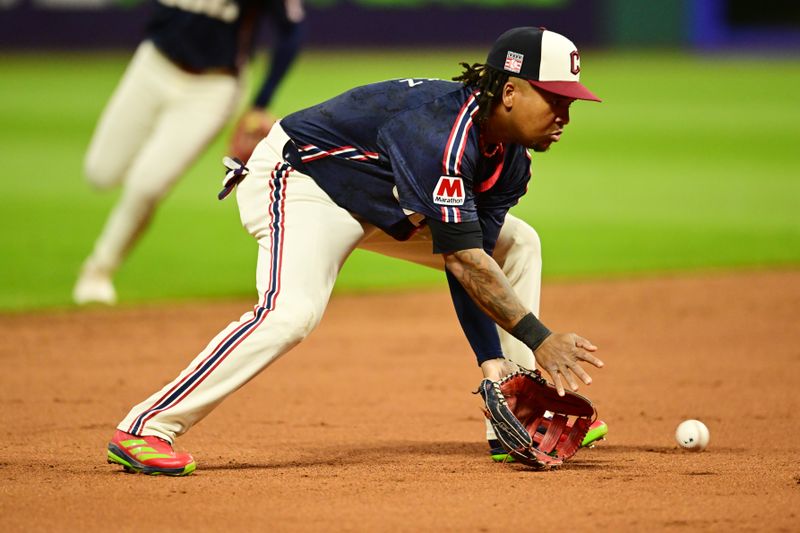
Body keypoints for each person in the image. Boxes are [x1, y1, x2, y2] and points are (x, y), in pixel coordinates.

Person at [106, 26, 606, 476]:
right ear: (511, 91)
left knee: (517, 243)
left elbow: (472, 259)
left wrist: (490, 364)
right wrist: (540, 337)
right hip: (304, 181)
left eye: (570, 103)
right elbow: (463, 261)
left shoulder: (511, 160)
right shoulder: (441, 134)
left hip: (385, 202)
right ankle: (146, 427)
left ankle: (514, 413)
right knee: (291, 313)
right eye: (554, 98)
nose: (564, 114)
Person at [73, 0, 306, 305]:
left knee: (147, 186)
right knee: (100, 173)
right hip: (153, 64)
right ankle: (136, 187)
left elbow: (292, 32)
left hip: (213, 86)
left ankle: (98, 271)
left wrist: (260, 102)